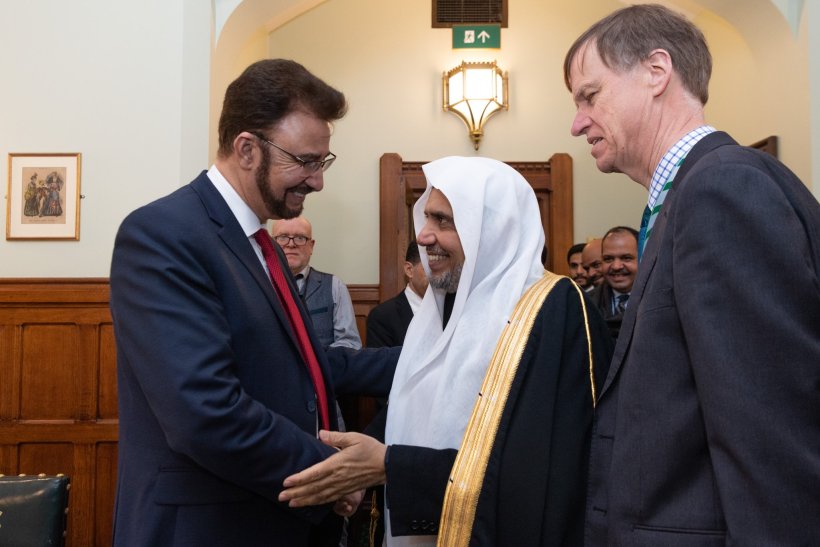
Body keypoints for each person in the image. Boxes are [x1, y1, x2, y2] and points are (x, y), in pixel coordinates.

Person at [109, 59, 400, 547]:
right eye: (306, 161)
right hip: (211, 527)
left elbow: (308, 363)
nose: (317, 181)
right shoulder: (164, 234)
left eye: (322, 163)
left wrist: (434, 361)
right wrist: (332, 473)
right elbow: (205, 412)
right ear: (247, 149)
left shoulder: (256, 243)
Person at [564, 4, 820, 545]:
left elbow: (769, 438)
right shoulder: (686, 196)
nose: (577, 121)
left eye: (590, 95)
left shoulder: (721, 189)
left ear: (657, 72)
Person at [278, 156, 613, 546]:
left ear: (490, 229)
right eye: (427, 218)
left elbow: (543, 470)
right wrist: (362, 473)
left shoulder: (555, 308)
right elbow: (417, 395)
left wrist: (390, 466)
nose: (423, 236)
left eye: (444, 221)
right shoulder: (448, 304)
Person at [272, 216, 361, 350]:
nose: (291, 244)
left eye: (300, 238)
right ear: (272, 244)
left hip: (322, 369)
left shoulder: (335, 286)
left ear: (311, 246)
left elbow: (350, 344)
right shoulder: (258, 285)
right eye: (283, 237)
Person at [365, 240, 428, 348]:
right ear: (409, 270)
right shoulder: (382, 317)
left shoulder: (452, 308)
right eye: (430, 266)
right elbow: (382, 364)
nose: (438, 273)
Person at [587, 226, 638, 341]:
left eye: (626, 258)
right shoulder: (586, 304)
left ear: (642, 258)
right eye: (608, 259)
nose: (616, 266)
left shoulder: (657, 303)